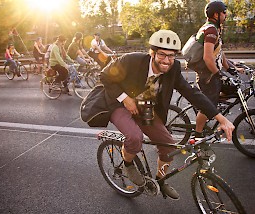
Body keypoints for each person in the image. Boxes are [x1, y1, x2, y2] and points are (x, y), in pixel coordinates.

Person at [100, 29, 235, 200]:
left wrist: (221, 119)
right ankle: (128, 164)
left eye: (171, 56)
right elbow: (104, 76)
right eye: (162, 55)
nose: (167, 60)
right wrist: (126, 98)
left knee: (168, 146)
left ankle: (160, 180)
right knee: (135, 137)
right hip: (119, 104)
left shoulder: (174, 68)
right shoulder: (131, 60)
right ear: (152, 53)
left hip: (145, 105)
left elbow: (192, 93)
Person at [188, 1, 242, 140]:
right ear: (216, 14)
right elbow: (207, 57)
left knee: (230, 90)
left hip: (212, 74)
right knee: (207, 106)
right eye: (224, 12)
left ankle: (216, 115)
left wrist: (231, 67)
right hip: (208, 75)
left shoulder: (215, 28)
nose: (226, 15)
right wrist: (220, 74)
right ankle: (197, 135)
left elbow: (219, 53)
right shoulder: (211, 30)